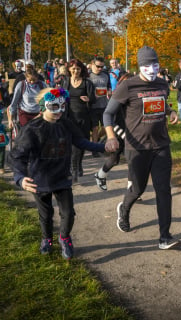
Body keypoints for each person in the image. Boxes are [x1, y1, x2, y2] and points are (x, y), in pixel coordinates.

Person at [9, 87, 106, 259]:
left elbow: (81, 141)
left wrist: (103, 147)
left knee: (68, 213)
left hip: (62, 177)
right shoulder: (32, 128)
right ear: (42, 106)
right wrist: (20, 177)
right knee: (45, 214)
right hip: (39, 179)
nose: (59, 111)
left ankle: (64, 237)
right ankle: (47, 239)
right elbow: (17, 156)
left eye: (63, 106)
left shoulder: (66, 124)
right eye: (54, 107)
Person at [103, 46, 180, 250]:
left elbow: (163, 104)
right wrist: (111, 137)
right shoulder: (128, 86)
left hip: (161, 145)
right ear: (139, 66)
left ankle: (165, 237)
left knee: (163, 190)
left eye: (155, 64)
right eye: (147, 65)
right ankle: (125, 208)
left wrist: (170, 111)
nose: (152, 68)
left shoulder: (163, 84)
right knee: (137, 188)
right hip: (137, 147)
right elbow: (108, 114)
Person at [94, 72, 133, 191]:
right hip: (118, 133)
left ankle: (131, 187)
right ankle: (101, 175)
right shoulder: (117, 98)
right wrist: (121, 135)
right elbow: (110, 120)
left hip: (131, 133)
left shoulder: (135, 97)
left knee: (129, 160)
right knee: (119, 159)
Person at [62, 59, 96, 182]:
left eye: (78, 69)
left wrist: (88, 99)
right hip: (69, 117)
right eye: (73, 68)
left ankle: (78, 164)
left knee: (81, 142)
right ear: (69, 69)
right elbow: (60, 97)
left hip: (83, 117)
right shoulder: (65, 81)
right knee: (71, 143)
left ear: (81, 70)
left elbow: (93, 99)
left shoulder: (87, 83)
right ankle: (74, 168)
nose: (75, 71)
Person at [89, 57, 111, 156]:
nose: (100, 69)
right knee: (94, 128)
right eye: (98, 66)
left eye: (102, 67)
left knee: (105, 127)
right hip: (92, 106)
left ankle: (98, 142)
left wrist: (109, 91)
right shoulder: (88, 76)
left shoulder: (106, 74)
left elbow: (109, 86)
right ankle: (94, 149)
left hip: (104, 104)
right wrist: (92, 96)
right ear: (92, 65)